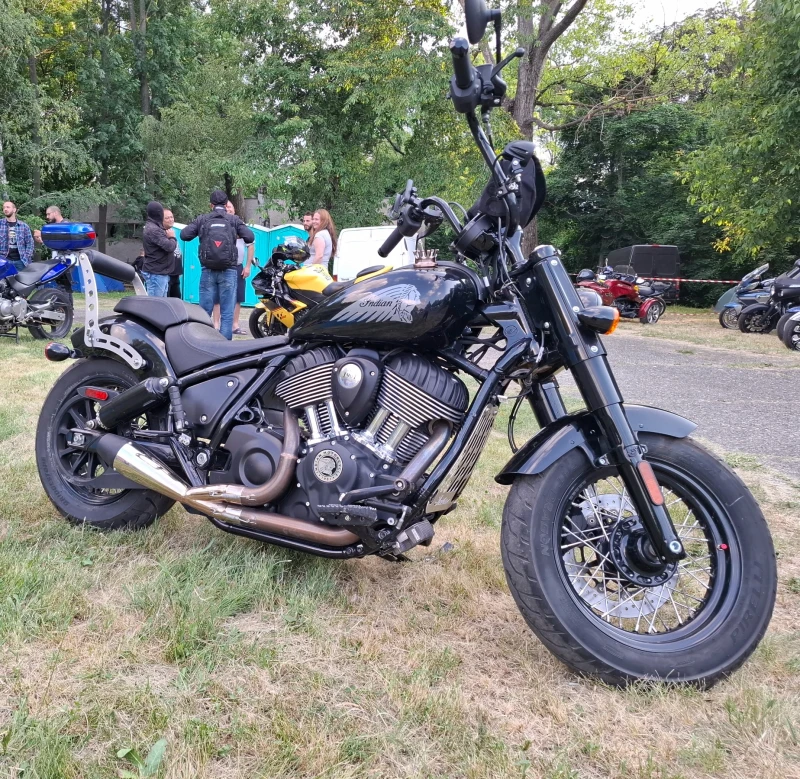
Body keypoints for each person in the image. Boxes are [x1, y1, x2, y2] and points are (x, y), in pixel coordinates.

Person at [180, 189, 254, 340]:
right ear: (226, 204)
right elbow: (250, 236)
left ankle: (202, 340)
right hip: (229, 271)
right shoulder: (233, 220)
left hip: (208, 270)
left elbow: (184, 235)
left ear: (211, 205)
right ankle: (225, 346)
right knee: (227, 311)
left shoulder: (202, 219)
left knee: (204, 310)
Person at [212, 201, 253, 334]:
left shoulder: (240, 225)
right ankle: (216, 325)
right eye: (226, 207)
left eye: (230, 206)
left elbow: (251, 245)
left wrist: (247, 266)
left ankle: (235, 326)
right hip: (221, 266)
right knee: (218, 297)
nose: (228, 209)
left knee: (238, 297)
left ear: (234, 209)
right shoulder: (218, 225)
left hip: (238, 266)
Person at [141, 201, 177, 297]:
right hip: (156, 273)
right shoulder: (154, 230)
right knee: (155, 306)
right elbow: (170, 247)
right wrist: (172, 237)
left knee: (161, 304)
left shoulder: (153, 227)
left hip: (159, 272)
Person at [1, 201, 34, 271]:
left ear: (14, 209)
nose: (5, 209)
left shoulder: (24, 226)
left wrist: (27, 256)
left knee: (22, 281)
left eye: (8, 207)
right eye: (4, 208)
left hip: (21, 262)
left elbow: (30, 243)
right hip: (4, 261)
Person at [163, 208, 183, 298]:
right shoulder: (161, 234)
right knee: (167, 301)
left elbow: (177, 253)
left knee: (177, 300)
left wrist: (179, 271)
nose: (171, 219)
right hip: (166, 274)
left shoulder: (171, 232)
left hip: (175, 274)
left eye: (172, 217)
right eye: (167, 218)